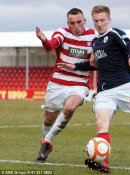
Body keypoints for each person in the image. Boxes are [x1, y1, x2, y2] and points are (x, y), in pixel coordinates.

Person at [58, 5, 130, 173]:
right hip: (105, 90)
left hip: (126, 86)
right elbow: (94, 65)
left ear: (109, 20)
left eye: (102, 20)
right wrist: (73, 66)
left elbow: (129, 46)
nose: (99, 23)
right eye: (96, 21)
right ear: (92, 21)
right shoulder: (95, 42)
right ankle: (104, 163)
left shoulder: (115, 33)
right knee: (101, 124)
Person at [35, 8, 96, 163]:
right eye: (72, 23)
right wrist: (44, 40)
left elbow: (96, 64)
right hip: (57, 82)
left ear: (85, 21)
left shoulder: (93, 36)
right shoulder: (62, 33)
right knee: (49, 119)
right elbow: (51, 45)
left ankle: (46, 142)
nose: (75, 26)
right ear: (67, 23)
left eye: (79, 22)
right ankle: (46, 141)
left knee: (69, 107)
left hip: (79, 83)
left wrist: (77, 66)